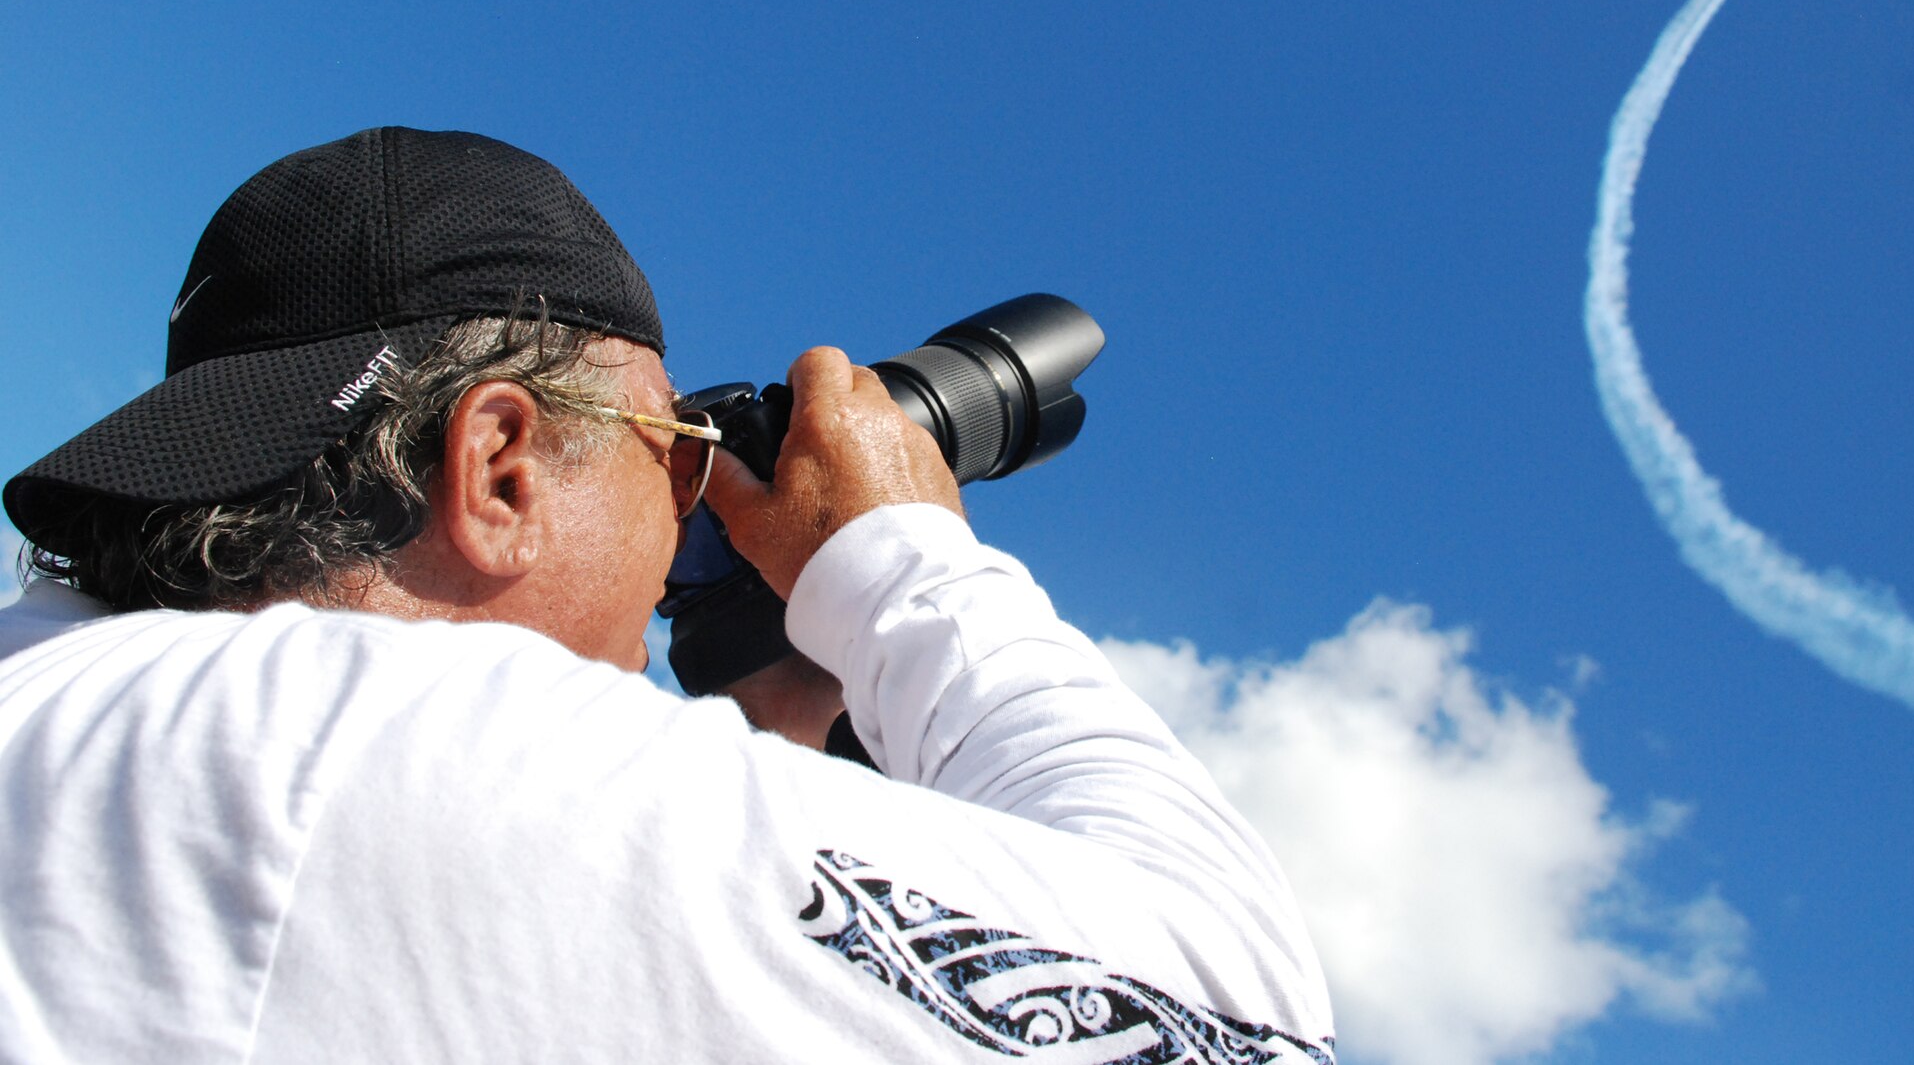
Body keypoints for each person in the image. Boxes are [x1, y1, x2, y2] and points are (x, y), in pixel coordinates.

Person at [0, 127, 1335, 1063]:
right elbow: (1233, 1016)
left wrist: (791, 724)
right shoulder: (362, 747)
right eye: (677, 456)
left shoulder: (88, 702)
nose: (691, 523)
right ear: (502, 471)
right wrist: (902, 561)